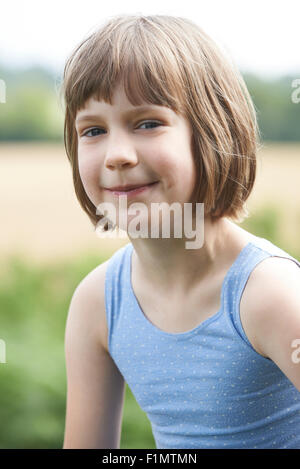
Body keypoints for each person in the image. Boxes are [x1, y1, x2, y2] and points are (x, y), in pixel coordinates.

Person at [61, 14, 300, 449]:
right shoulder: (97, 303)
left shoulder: (271, 295)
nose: (117, 155)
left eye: (147, 123)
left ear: (212, 130)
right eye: (93, 130)